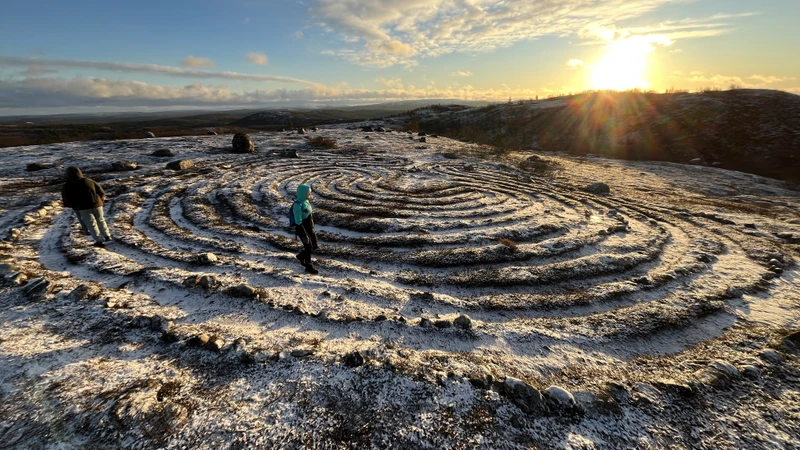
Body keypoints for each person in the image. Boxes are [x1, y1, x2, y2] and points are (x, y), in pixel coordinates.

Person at [61, 166, 112, 247]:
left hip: (83, 207)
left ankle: (99, 240)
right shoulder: (89, 181)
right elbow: (101, 191)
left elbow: (66, 198)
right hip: (97, 204)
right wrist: (101, 199)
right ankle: (107, 236)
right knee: (101, 220)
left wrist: (72, 205)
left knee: (91, 223)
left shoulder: (67, 185)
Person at [293, 183, 319, 274]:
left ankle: (301, 256)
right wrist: (304, 232)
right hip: (303, 229)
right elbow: (298, 221)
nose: (310, 194)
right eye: (308, 192)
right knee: (308, 247)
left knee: (314, 246)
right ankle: (309, 265)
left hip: (310, 228)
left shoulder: (306, 201)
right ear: (303, 193)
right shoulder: (297, 205)